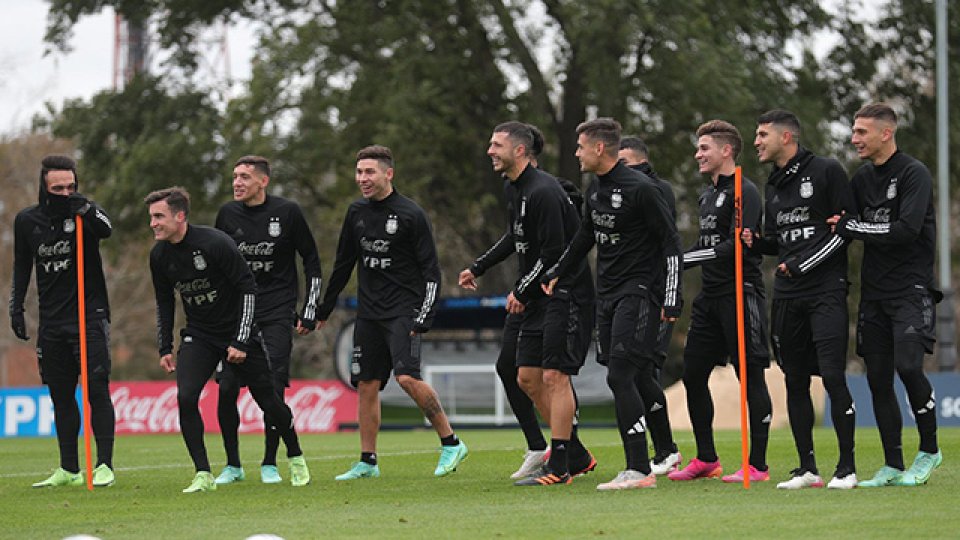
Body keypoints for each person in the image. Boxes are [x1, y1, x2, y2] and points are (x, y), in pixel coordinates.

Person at [543, 118, 683, 491]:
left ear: (599, 149)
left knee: (620, 374)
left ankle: (639, 469)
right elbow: (586, 236)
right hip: (607, 295)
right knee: (627, 375)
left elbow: (671, 245)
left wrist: (672, 295)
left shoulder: (642, 189)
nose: (576, 153)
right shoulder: (595, 188)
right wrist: (558, 269)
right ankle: (656, 455)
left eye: (580, 147)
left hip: (639, 293)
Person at [317, 145, 468, 480]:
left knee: (406, 378)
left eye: (369, 172)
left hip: (404, 311)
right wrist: (323, 308)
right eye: (359, 172)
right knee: (367, 384)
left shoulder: (411, 214)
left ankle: (451, 442)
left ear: (389, 174)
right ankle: (368, 461)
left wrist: (424, 315)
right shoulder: (355, 212)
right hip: (369, 314)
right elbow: (343, 264)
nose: (363, 179)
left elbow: (431, 271)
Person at [146, 187, 310, 492]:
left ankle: (296, 455)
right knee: (186, 397)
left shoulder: (215, 243)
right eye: (151, 217)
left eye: (159, 216)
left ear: (180, 216)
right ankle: (203, 474)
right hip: (199, 335)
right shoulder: (158, 255)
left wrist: (242, 339)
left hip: (238, 331)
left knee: (268, 400)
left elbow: (249, 289)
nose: (153, 223)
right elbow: (165, 302)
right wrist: (165, 346)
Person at [461, 122, 596, 486]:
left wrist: (521, 290)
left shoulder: (545, 192)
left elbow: (554, 254)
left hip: (563, 293)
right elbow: (516, 237)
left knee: (554, 377)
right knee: (525, 377)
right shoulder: (514, 188)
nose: (490, 150)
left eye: (497, 144)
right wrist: (479, 266)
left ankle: (561, 465)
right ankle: (576, 453)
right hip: (536, 295)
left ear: (520, 151)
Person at [829, 103, 942, 487]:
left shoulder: (914, 174)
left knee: (909, 367)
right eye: (854, 131)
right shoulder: (861, 179)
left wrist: (853, 228)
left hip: (910, 289)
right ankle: (893, 463)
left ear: (886, 133)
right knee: (877, 378)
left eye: (861, 132)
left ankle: (929, 451)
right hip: (873, 294)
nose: (854, 138)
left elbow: (905, 231)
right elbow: (842, 223)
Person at [744, 109, 858, 489]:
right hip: (788, 294)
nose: (757, 142)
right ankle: (807, 469)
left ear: (786, 137)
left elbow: (844, 231)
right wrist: (756, 243)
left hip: (825, 290)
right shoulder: (773, 184)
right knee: (793, 378)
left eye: (762, 135)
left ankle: (847, 468)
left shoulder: (827, 171)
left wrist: (803, 266)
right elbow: (779, 243)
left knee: (831, 376)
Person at [667, 120, 773, 484]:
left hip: (740, 294)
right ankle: (707, 459)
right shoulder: (706, 195)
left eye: (704, 148)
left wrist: (685, 260)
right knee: (694, 375)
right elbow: (705, 245)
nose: (698, 154)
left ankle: (757, 465)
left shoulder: (746, 191)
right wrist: (679, 257)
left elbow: (735, 247)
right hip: (709, 299)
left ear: (726, 150)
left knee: (751, 377)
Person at [213, 156, 323, 485]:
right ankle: (233, 465)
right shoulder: (226, 215)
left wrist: (310, 308)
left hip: (276, 312)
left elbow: (312, 261)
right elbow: (217, 267)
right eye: (235, 176)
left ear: (263, 181)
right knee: (227, 387)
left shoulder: (287, 213)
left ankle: (270, 462)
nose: (237, 182)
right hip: (237, 316)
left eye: (245, 177)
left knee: (272, 388)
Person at [10, 155, 117, 488]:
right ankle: (69, 468)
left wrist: (84, 208)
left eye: (71, 186)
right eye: (59, 188)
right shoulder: (27, 221)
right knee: (60, 395)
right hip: (52, 322)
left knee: (97, 390)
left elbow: (107, 229)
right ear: (45, 188)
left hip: (89, 317)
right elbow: (21, 266)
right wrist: (16, 307)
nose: (66, 193)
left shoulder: (84, 213)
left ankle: (104, 466)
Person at [617, 136, 682, 475]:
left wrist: (668, 295)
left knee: (642, 370)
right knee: (638, 371)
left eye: (624, 162)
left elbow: (667, 243)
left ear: (640, 162)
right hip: (633, 293)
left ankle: (665, 448)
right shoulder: (618, 191)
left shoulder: (656, 190)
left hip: (654, 295)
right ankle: (666, 450)